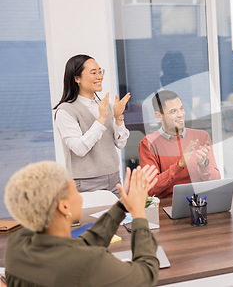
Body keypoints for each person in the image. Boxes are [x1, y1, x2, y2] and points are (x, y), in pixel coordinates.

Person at [4, 161, 159, 286]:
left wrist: (122, 206)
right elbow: (146, 274)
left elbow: (81, 246)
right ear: (64, 207)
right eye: (75, 191)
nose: (80, 197)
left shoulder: (17, 245)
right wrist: (138, 213)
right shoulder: (89, 263)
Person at [54, 54, 131, 196]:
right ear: (77, 78)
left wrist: (118, 117)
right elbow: (79, 149)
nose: (99, 76)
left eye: (100, 71)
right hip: (85, 184)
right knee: (91, 219)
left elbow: (120, 144)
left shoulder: (105, 106)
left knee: (121, 218)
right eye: (93, 73)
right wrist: (101, 119)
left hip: (114, 179)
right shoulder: (65, 111)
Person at [139, 90, 220, 199]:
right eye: (173, 111)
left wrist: (204, 165)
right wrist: (179, 165)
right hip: (168, 206)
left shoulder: (201, 136)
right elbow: (150, 188)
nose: (180, 114)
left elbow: (216, 182)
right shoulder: (148, 143)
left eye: (181, 108)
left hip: (200, 202)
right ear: (159, 116)